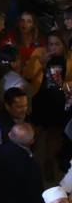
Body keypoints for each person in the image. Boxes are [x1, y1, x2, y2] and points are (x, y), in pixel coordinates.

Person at [25, 33, 72, 182]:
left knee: (54, 134)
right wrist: (40, 63)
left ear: (64, 45)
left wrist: (64, 85)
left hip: (60, 101)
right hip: (41, 99)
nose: (53, 47)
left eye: (57, 44)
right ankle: (26, 156)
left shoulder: (69, 58)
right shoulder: (40, 53)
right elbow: (27, 73)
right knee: (36, 130)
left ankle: (49, 162)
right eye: (50, 44)